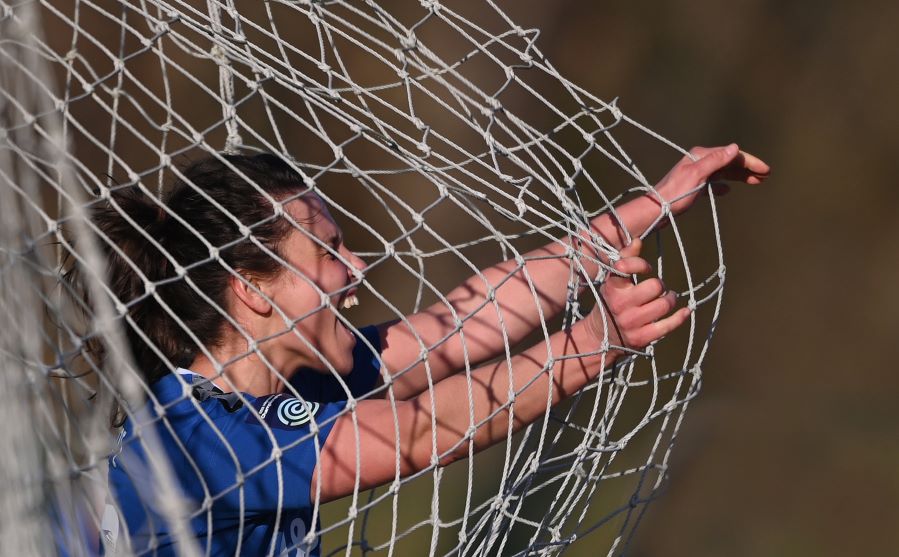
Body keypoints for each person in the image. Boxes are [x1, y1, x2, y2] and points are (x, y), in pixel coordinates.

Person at [81, 146, 768, 556]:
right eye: (326, 251)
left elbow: (461, 323)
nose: (357, 264)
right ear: (252, 293)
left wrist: (655, 201)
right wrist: (591, 343)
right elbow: (423, 427)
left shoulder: (283, 390)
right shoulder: (205, 440)